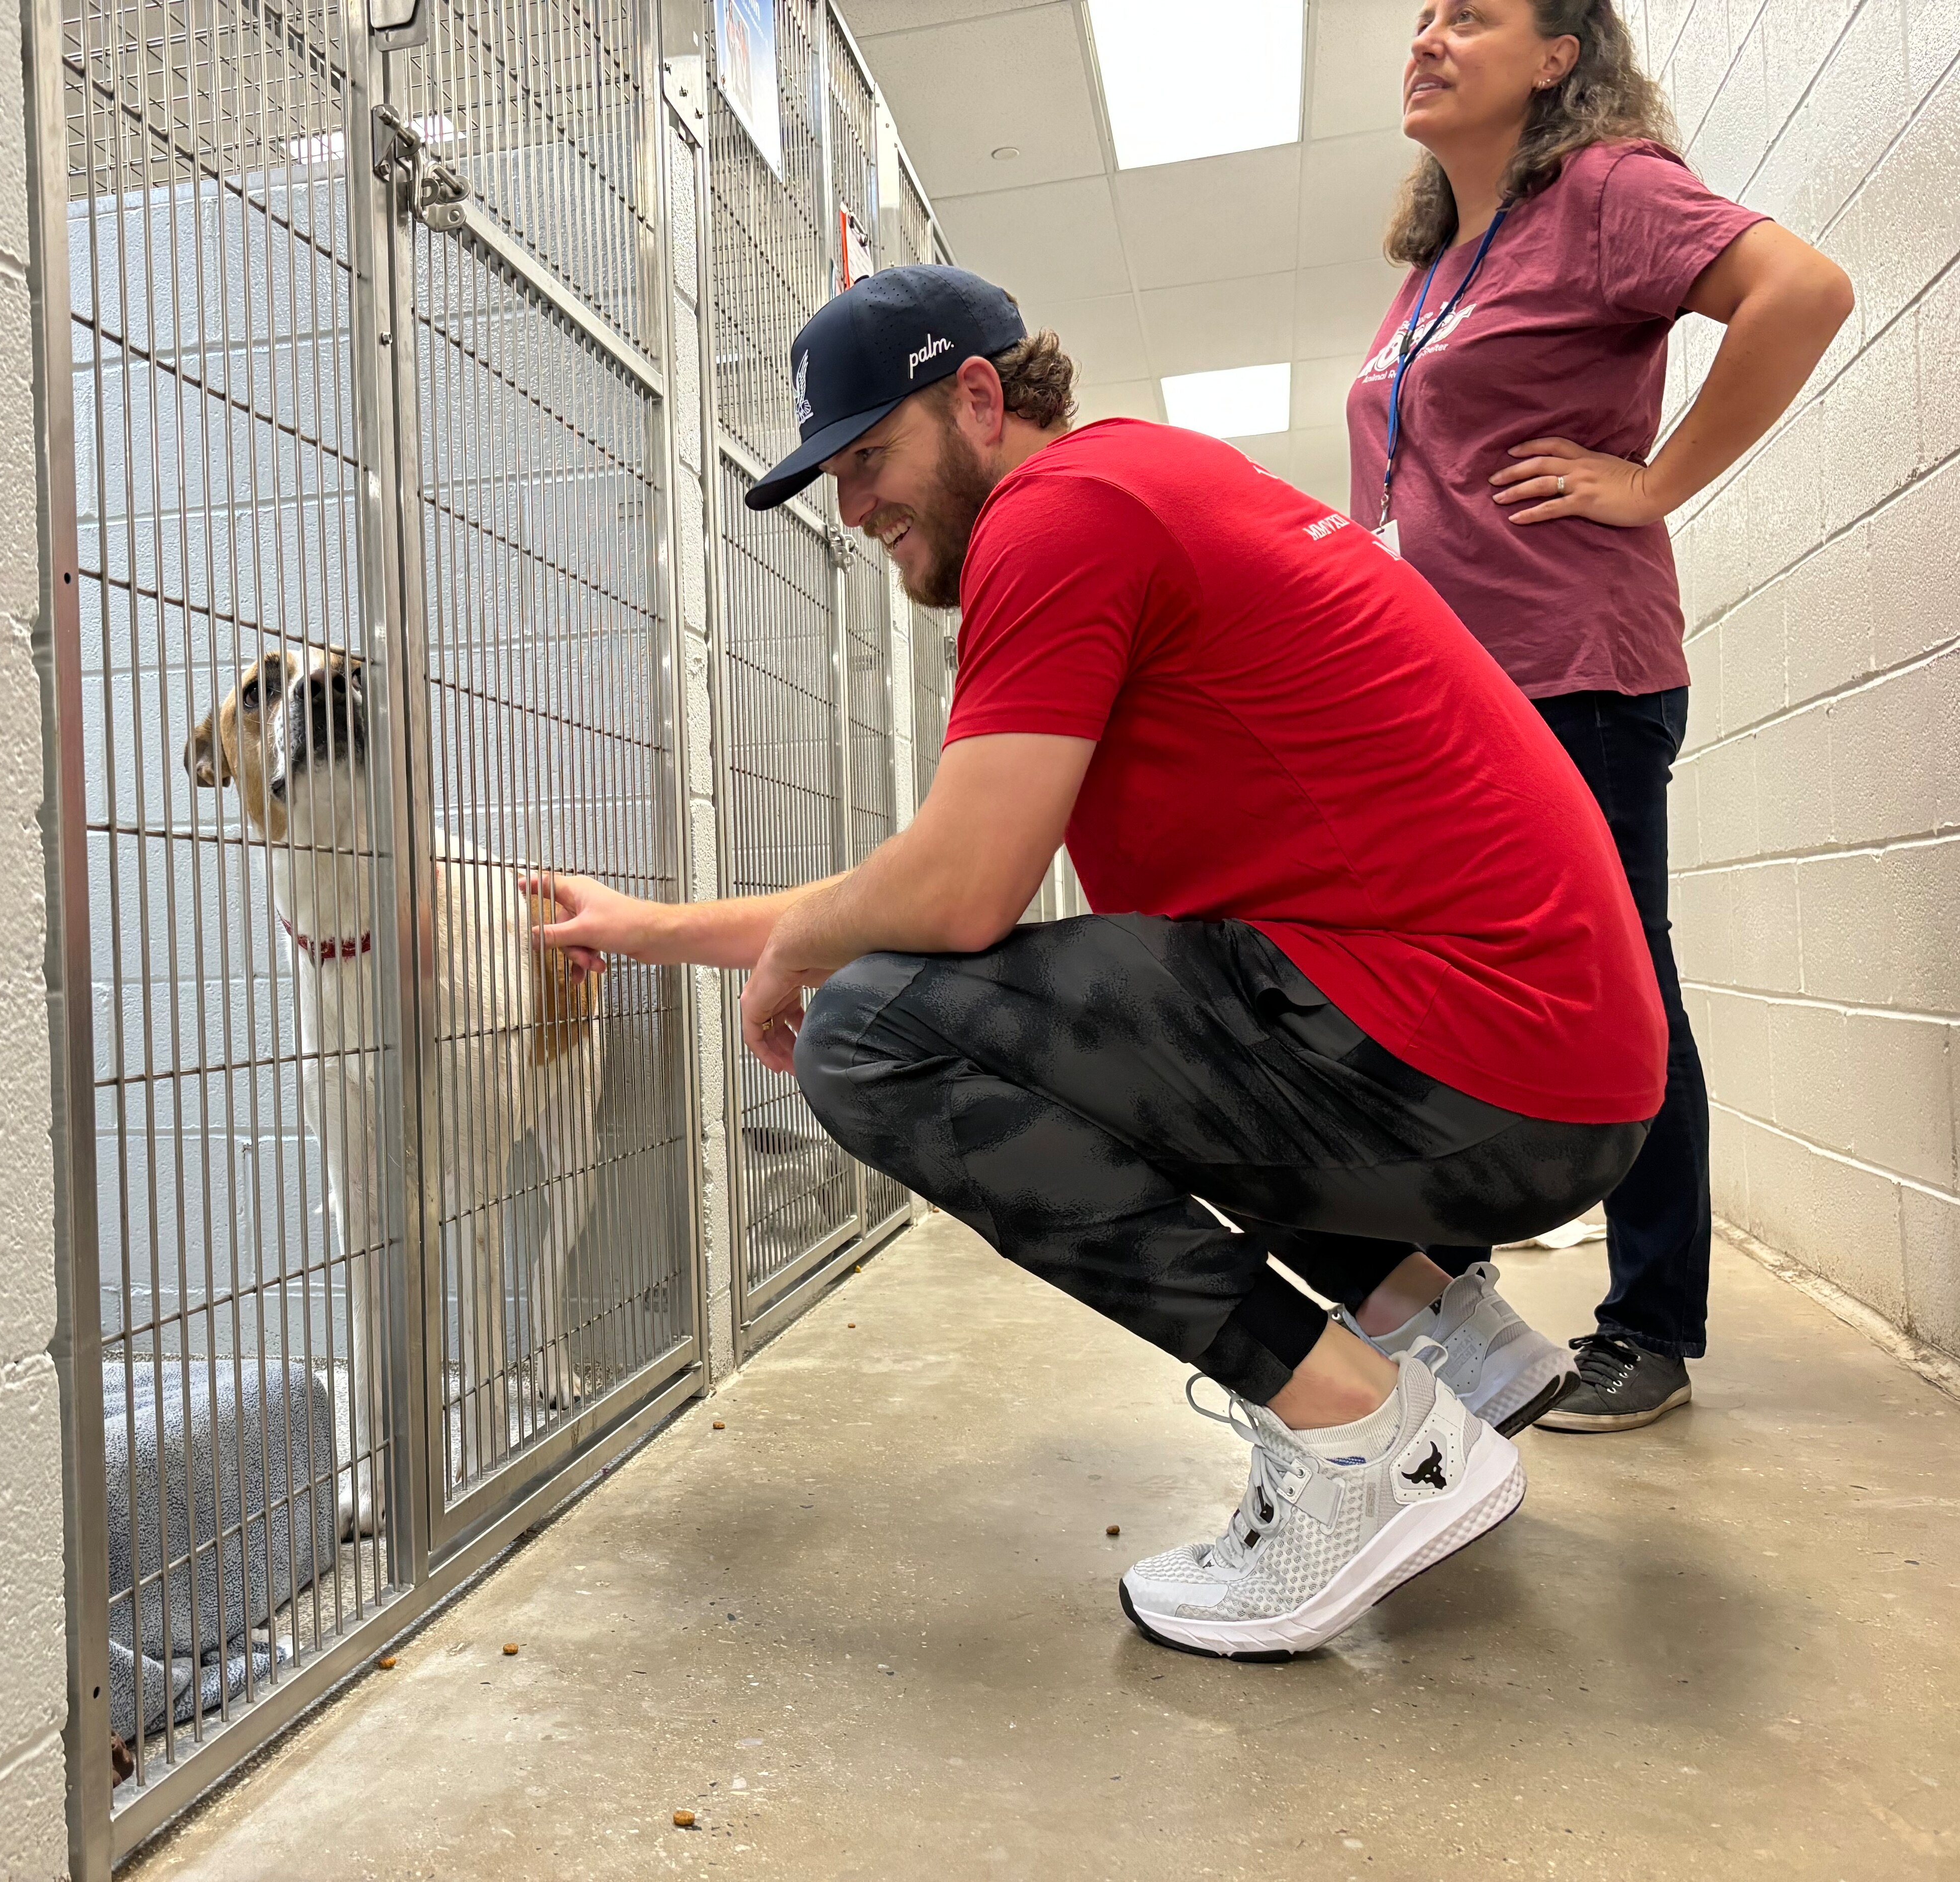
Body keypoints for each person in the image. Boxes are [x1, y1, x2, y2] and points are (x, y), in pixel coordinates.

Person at [531, 263, 1664, 1661]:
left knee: (875, 1034)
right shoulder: (1146, 488)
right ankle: (1445, 1336)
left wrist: (801, 961)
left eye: (870, 456)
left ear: (981, 398)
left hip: (1479, 1061)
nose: (855, 504)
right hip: (1539, 1068)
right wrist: (647, 931)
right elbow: (938, 877)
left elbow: (950, 894)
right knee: (1087, 1030)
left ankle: (1360, 1438)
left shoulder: (1060, 514)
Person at [1349, 0, 1852, 1431]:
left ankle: (1651, 1325)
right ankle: (1459, 1291)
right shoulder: (1434, 260)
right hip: (1451, 695)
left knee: (1616, 993)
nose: (1431, 35)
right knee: (1454, 994)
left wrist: (1653, 481)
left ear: (1560, 56)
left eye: (1475, 15)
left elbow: (1803, 292)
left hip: (1577, 669)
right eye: (1425, 16)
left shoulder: (1608, 193)